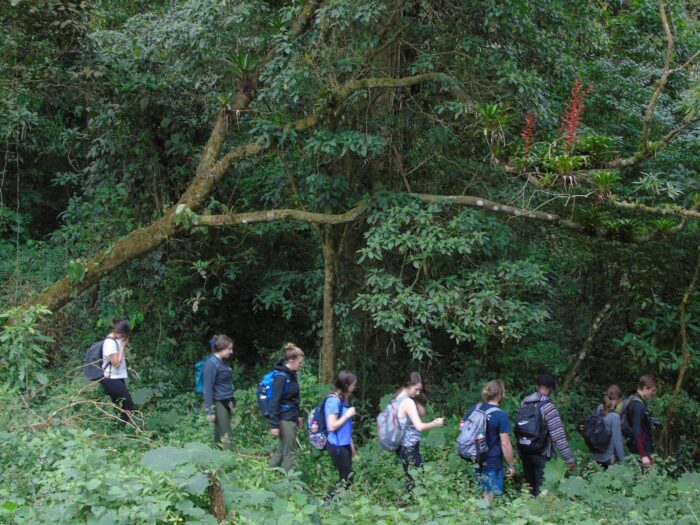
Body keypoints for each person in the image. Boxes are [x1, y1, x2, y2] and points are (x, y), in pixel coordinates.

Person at [518, 373, 575, 496]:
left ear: (537, 386)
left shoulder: (524, 402)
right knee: (543, 490)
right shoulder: (548, 406)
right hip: (542, 453)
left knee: (530, 488)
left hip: (525, 450)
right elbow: (558, 435)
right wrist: (568, 459)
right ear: (550, 388)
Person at [464, 379, 516, 501]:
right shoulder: (500, 415)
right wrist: (511, 465)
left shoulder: (476, 408)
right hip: (492, 461)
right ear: (500, 394)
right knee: (489, 495)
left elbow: (462, 426)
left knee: (480, 491)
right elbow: (505, 443)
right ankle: (486, 518)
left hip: (475, 457)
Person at [394, 372, 444, 490]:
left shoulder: (398, 398)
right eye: (416, 389)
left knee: (411, 477)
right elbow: (419, 426)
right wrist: (435, 423)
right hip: (409, 445)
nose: (418, 393)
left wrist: (414, 399)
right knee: (418, 478)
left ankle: (409, 501)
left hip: (401, 445)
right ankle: (413, 503)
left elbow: (422, 412)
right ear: (408, 384)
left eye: (420, 390)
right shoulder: (407, 402)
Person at [268, 342, 304, 472]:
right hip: (284, 419)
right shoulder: (281, 377)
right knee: (290, 451)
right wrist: (274, 425)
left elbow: (294, 398)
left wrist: (298, 415)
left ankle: (267, 473)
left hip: (291, 416)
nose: (301, 365)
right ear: (291, 360)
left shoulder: (292, 375)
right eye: (299, 362)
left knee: (282, 449)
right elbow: (274, 402)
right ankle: (291, 483)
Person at [324, 370, 358, 500]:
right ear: (346, 385)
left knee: (347, 478)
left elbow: (345, 428)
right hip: (336, 445)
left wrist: (352, 446)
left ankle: (335, 503)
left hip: (344, 444)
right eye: (352, 385)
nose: (354, 388)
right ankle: (326, 502)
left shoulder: (343, 400)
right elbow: (331, 426)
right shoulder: (333, 401)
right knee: (346, 479)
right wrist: (347, 415)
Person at [100, 317, 135, 425]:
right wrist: (123, 347)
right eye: (123, 335)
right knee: (128, 406)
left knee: (119, 406)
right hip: (110, 379)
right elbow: (116, 363)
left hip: (116, 378)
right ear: (118, 332)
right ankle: (123, 428)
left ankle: (118, 428)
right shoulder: (109, 343)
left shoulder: (116, 339)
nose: (124, 337)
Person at [202, 334, 236, 450]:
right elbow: (208, 388)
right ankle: (230, 461)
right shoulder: (211, 364)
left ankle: (214, 461)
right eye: (229, 349)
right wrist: (210, 411)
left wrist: (231, 401)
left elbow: (225, 384)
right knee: (226, 435)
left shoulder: (222, 362)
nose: (231, 351)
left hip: (225, 402)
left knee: (218, 435)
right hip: (218, 403)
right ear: (221, 348)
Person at [625, 375, 657, 468]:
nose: (653, 393)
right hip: (639, 447)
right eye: (652, 390)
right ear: (644, 388)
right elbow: (637, 430)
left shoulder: (633, 398)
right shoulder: (638, 405)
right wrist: (643, 455)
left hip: (636, 444)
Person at [590, 388, 626, 468]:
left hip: (595, 456)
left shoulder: (598, 409)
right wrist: (624, 462)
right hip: (608, 458)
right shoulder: (614, 416)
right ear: (619, 399)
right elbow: (617, 442)